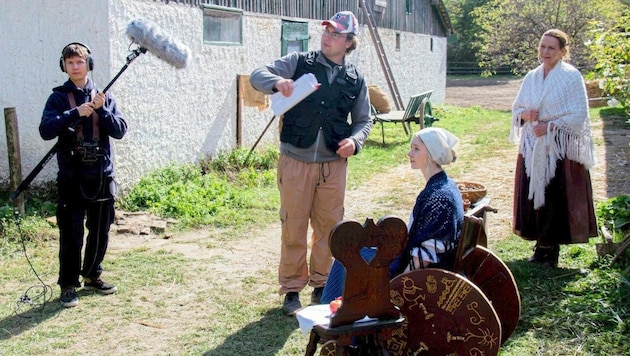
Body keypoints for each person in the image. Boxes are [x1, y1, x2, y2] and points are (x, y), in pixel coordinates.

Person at [249, 11, 372, 315]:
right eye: (326, 31)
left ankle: (321, 284)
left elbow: (364, 120)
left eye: (335, 34)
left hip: (333, 166)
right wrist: (278, 82)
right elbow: (257, 75)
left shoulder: (356, 79)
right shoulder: (300, 61)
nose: (327, 37)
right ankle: (291, 289)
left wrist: (355, 142)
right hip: (295, 160)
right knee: (294, 226)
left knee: (329, 228)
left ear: (349, 42)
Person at [321, 127, 464, 303]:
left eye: (416, 149)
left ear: (433, 155)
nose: (409, 153)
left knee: (349, 260)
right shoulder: (442, 186)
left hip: (421, 276)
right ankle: (335, 307)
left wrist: (396, 286)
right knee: (349, 254)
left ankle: (336, 311)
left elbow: (427, 254)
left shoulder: (439, 197)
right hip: (407, 260)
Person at [40, 42, 127, 307]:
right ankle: (68, 284)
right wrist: (75, 113)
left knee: (100, 230)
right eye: (70, 63)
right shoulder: (57, 98)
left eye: (80, 62)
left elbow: (120, 130)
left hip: (101, 175)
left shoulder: (104, 96)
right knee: (72, 233)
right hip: (72, 177)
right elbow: (45, 130)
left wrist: (100, 109)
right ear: (64, 66)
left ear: (88, 64)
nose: (75, 67)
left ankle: (92, 274)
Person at [510, 29, 597, 268]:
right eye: (542, 46)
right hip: (532, 148)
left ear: (562, 52)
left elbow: (579, 114)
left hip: (558, 149)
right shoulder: (532, 77)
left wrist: (550, 126)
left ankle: (552, 250)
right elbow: (517, 110)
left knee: (555, 198)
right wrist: (525, 115)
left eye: (551, 48)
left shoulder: (571, 77)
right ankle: (540, 246)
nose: (545, 52)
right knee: (534, 197)